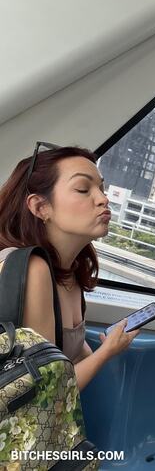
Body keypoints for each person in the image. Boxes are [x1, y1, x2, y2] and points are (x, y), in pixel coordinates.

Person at [0, 145, 138, 391]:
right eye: (83, 189)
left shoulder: (71, 272)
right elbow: (48, 392)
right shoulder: (33, 269)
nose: (103, 199)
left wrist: (107, 345)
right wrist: (106, 352)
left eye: (102, 188)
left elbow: (71, 355)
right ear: (40, 207)